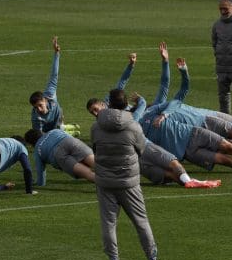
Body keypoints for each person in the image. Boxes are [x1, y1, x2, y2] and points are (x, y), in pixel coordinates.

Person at [85, 53, 219, 189]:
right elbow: (159, 89)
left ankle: (192, 182)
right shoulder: (133, 115)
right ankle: (191, 181)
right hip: (144, 147)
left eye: (95, 109)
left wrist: (139, 65)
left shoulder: (147, 111)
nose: (95, 114)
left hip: (135, 153)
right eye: (93, 112)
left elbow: (162, 85)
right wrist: (142, 100)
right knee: (173, 165)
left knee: (169, 173)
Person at [91, 89, 163, 260]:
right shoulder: (133, 126)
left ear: (108, 104)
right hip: (129, 181)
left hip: (105, 181)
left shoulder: (96, 126)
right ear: (125, 105)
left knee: (108, 223)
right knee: (141, 221)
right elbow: (141, 149)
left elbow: (95, 149)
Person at [138, 105, 232, 176]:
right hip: (188, 153)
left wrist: (173, 67)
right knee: (227, 161)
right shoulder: (136, 132)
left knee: (231, 147)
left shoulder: (154, 111)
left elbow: (171, 93)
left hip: (195, 133)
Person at [28, 36, 80, 135]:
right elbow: (38, 134)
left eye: (40, 105)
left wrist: (56, 53)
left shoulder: (50, 93)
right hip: (47, 131)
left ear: (45, 100)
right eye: (36, 107)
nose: (38, 109)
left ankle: (62, 128)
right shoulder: (36, 117)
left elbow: (54, 75)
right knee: (56, 135)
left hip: (58, 117)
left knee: (59, 119)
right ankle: (65, 130)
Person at [24, 128, 95, 186]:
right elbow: (69, 136)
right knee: (99, 165)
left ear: (31, 143)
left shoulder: (37, 150)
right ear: (41, 132)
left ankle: (105, 184)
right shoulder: (54, 130)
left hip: (58, 154)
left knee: (88, 173)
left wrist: (40, 183)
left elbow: (40, 171)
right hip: (70, 141)